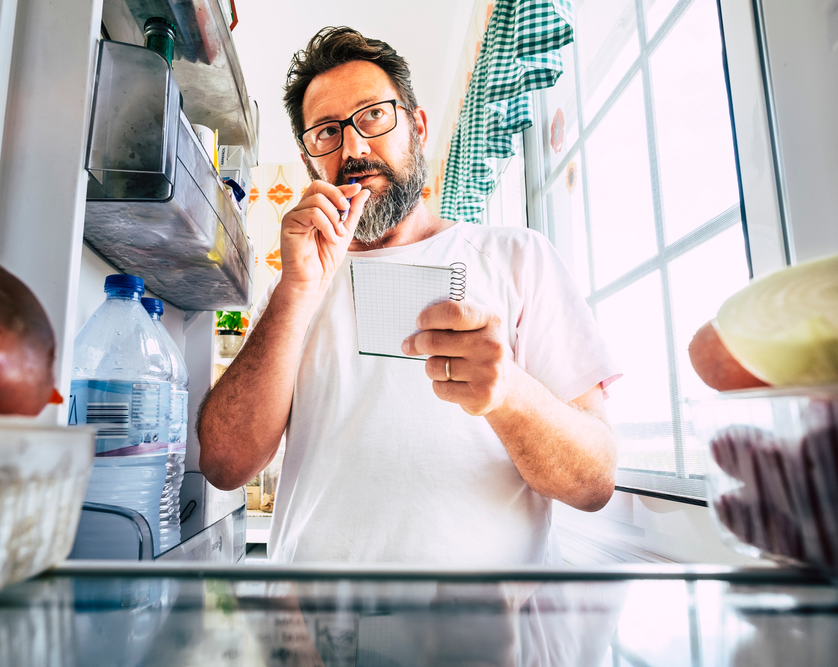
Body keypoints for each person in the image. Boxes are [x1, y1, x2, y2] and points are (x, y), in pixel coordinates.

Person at [197, 27, 621, 565]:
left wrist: (509, 392)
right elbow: (223, 464)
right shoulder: (296, 288)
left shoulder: (519, 257)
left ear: (417, 128)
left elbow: (595, 483)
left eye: (373, 115)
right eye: (326, 132)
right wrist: (295, 288)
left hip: (480, 636)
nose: (353, 148)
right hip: (314, 633)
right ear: (310, 161)